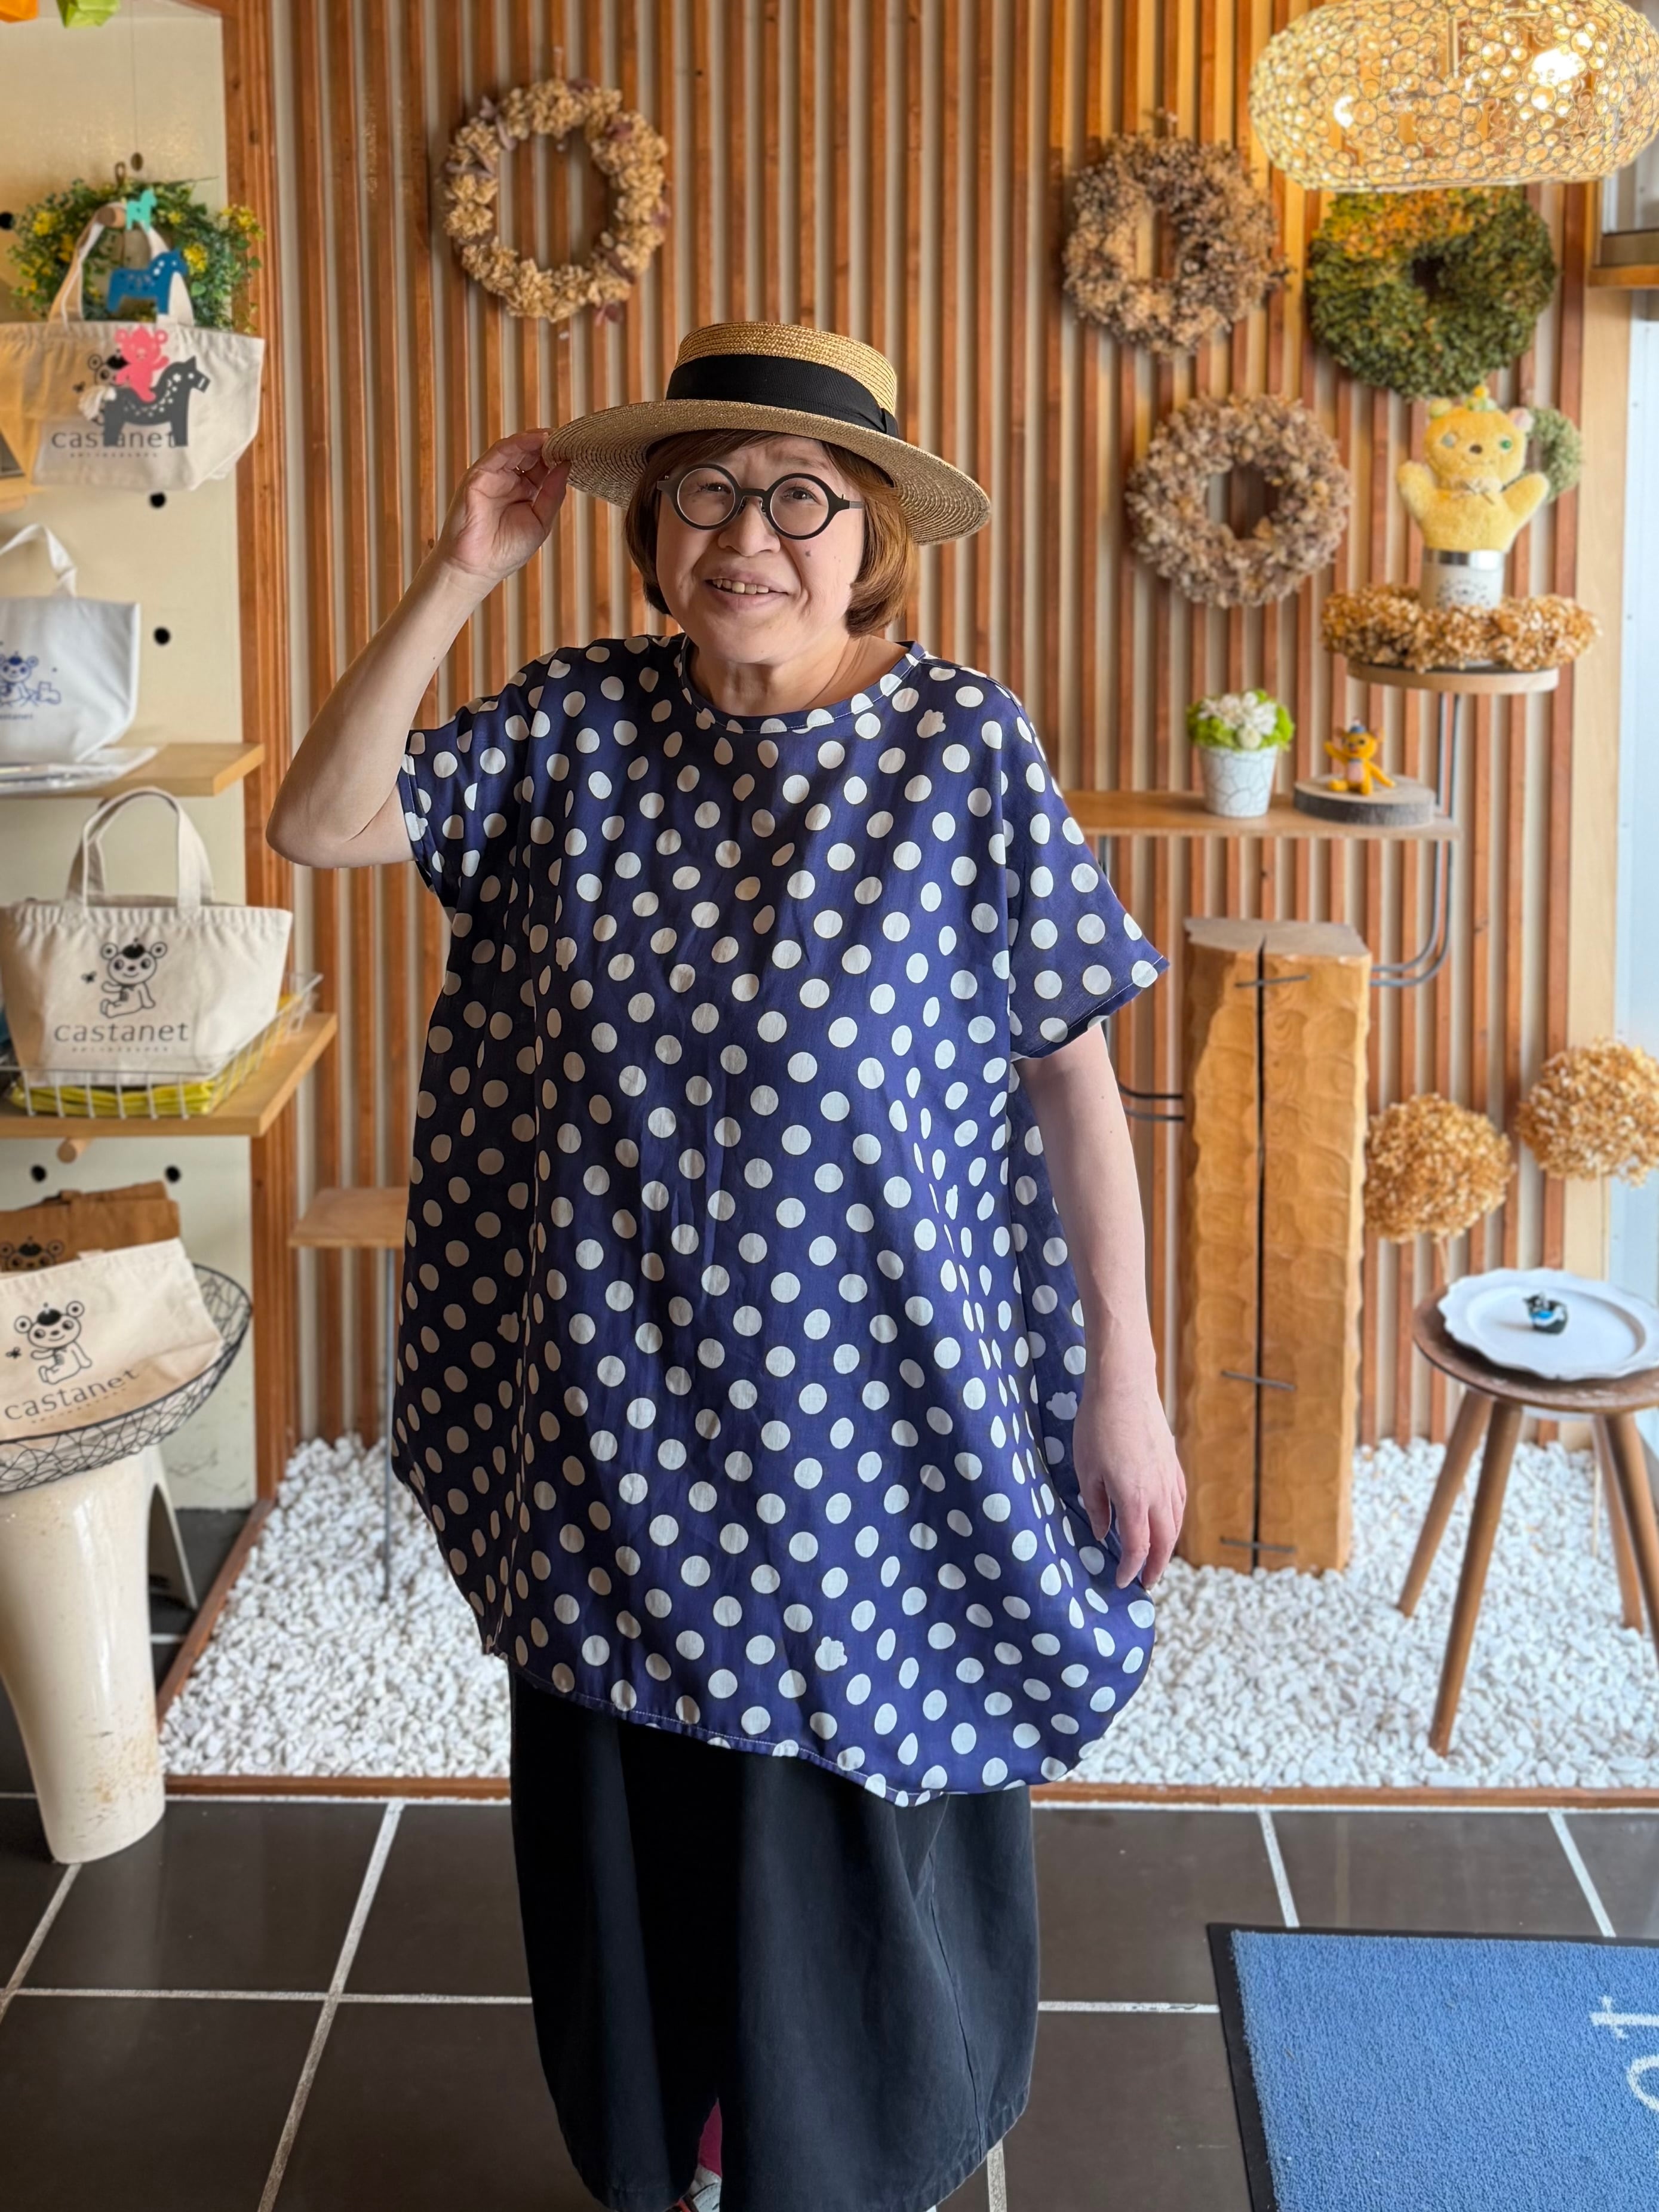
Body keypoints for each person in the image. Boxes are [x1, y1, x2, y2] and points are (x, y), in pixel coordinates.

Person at [269, 319, 1186, 2212]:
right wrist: (462, 570)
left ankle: (840, 2156)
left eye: (800, 498)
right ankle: (660, 2146)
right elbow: (320, 819)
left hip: (871, 1419)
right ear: (650, 528)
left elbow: (1073, 1081)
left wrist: (1126, 1380)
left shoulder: (958, 750)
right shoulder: (576, 723)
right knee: (626, 1808)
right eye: (704, 493)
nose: (747, 537)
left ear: (871, 538)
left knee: (835, 1801)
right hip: (603, 1400)